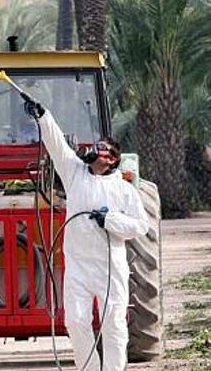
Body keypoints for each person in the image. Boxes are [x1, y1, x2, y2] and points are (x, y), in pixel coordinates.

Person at [23, 98, 149, 371]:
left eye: (104, 149)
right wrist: (43, 116)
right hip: (78, 265)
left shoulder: (123, 190)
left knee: (113, 324)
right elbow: (57, 146)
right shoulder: (74, 174)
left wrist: (111, 220)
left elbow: (141, 226)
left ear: (112, 159)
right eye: (97, 146)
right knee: (76, 321)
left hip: (109, 267)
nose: (98, 150)